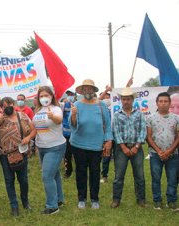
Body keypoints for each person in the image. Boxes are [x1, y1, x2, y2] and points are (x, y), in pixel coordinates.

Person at [69, 79, 113, 209]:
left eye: (90, 89)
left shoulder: (101, 105)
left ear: (94, 90)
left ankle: (95, 199)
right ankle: (81, 198)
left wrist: (109, 140)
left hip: (96, 145)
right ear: (82, 91)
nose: (87, 91)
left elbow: (107, 124)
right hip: (78, 144)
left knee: (95, 171)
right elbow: (73, 125)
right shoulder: (76, 104)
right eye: (85, 89)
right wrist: (73, 116)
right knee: (81, 172)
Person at [0, 97, 36, 216]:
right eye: (4, 105)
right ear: (2, 107)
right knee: (9, 180)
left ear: (14, 104)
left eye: (10, 104)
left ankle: (25, 202)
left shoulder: (23, 116)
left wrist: (28, 138)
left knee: (23, 180)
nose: (8, 107)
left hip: (21, 153)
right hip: (5, 155)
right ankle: (14, 206)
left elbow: (33, 130)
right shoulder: (1, 119)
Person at [32, 86, 67, 214]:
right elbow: (35, 128)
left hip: (55, 147)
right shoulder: (38, 110)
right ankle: (59, 199)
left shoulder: (56, 109)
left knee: (47, 176)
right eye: (41, 96)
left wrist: (52, 117)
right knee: (54, 174)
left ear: (51, 96)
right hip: (42, 147)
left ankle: (52, 206)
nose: (44, 98)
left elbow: (59, 121)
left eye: (46, 95)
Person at [111, 87, 147, 208]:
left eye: (128, 99)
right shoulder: (116, 115)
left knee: (140, 176)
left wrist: (136, 146)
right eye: (123, 99)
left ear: (133, 100)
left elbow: (143, 131)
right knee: (118, 176)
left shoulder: (140, 114)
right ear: (121, 100)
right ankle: (116, 199)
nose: (126, 101)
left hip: (137, 148)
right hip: (121, 149)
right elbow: (115, 132)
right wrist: (123, 147)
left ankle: (141, 199)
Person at [146, 92, 179, 210]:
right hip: (155, 154)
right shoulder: (150, 118)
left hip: (173, 155)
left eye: (166, 101)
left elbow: (178, 137)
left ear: (169, 103)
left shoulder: (176, 118)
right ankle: (157, 200)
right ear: (157, 103)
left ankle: (171, 200)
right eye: (161, 101)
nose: (163, 103)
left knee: (173, 178)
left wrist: (170, 151)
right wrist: (159, 151)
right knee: (156, 178)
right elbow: (148, 137)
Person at [62, 90, 75, 178]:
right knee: (67, 155)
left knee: (78, 155)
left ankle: (80, 172)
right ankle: (68, 172)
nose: (70, 96)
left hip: (76, 135)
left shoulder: (78, 104)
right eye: (68, 94)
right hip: (66, 134)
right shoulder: (64, 105)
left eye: (71, 94)